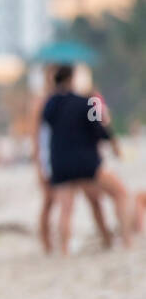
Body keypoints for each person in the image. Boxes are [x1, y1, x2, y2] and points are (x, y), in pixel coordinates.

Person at [41, 65, 133, 253]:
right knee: (120, 194)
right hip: (86, 162)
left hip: (60, 164)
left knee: (66, 210)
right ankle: (126, 240)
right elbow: (99, 129)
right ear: (72, 79)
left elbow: (46, 126)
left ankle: (64, 250)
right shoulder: (88, 102)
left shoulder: (49, 105)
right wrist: (112, 141)